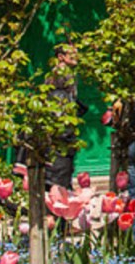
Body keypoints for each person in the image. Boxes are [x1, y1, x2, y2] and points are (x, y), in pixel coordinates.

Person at [46, 43, 88, 190]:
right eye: (72, 53)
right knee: (59, 174)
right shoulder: (58, 75)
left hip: (66, 131)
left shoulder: (67, 74)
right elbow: (56, 103)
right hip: (61, 133)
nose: (76, 56)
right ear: (61, 57)